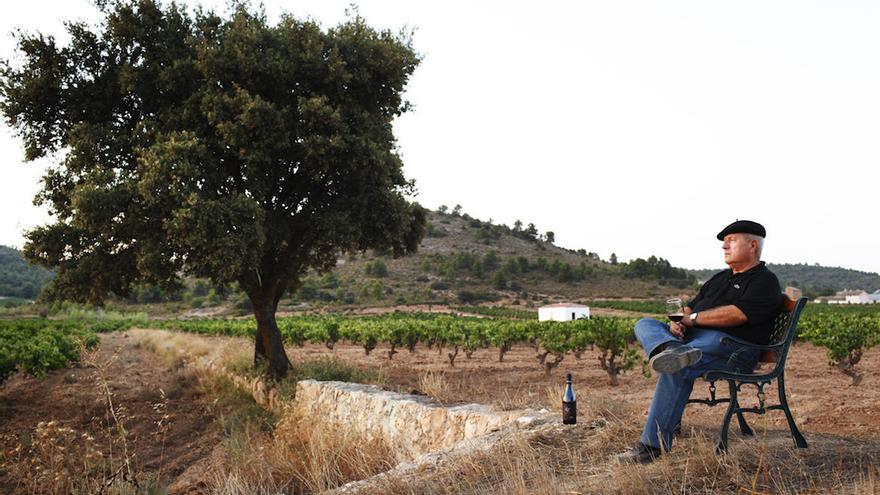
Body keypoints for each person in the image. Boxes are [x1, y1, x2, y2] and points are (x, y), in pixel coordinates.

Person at [616, 220, 782, 464]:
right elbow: (692, 305)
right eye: (725, 242)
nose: (724, 246)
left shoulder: (764, 281)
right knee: (645, 324)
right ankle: (671, 348)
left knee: (683, 362)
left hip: (732, 349)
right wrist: (677, 323)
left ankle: (651, 447)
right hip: (697, 343)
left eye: (731, 240)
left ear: (753, 245)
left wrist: (691, 319)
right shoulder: (719, 278)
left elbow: (737, 314)